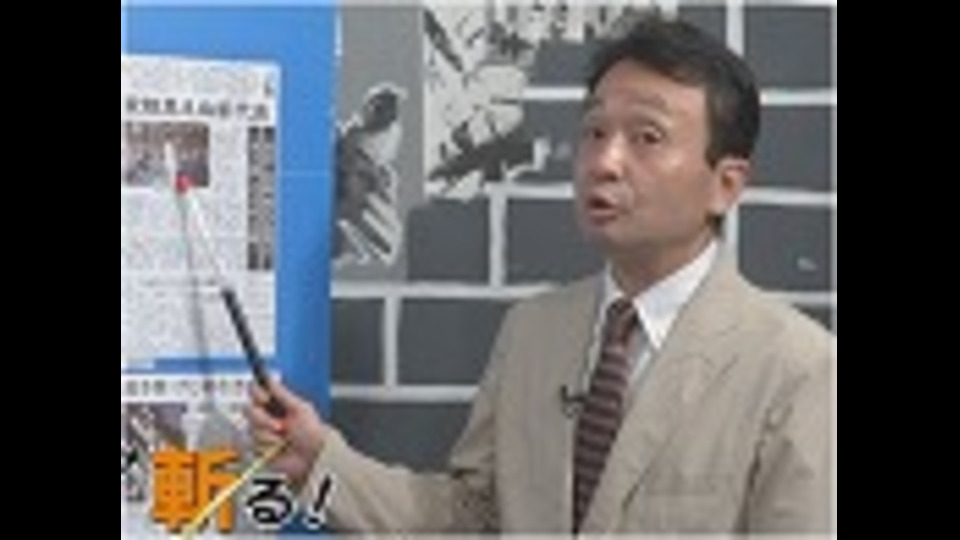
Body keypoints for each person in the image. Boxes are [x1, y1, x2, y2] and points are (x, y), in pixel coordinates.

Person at [247, 13, 836, 535]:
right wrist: (319, 466)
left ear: (725, 185)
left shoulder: (798, 369)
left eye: (647, 138)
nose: (605, 161)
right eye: (595, 132)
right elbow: (469, 522)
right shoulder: (534, 332)